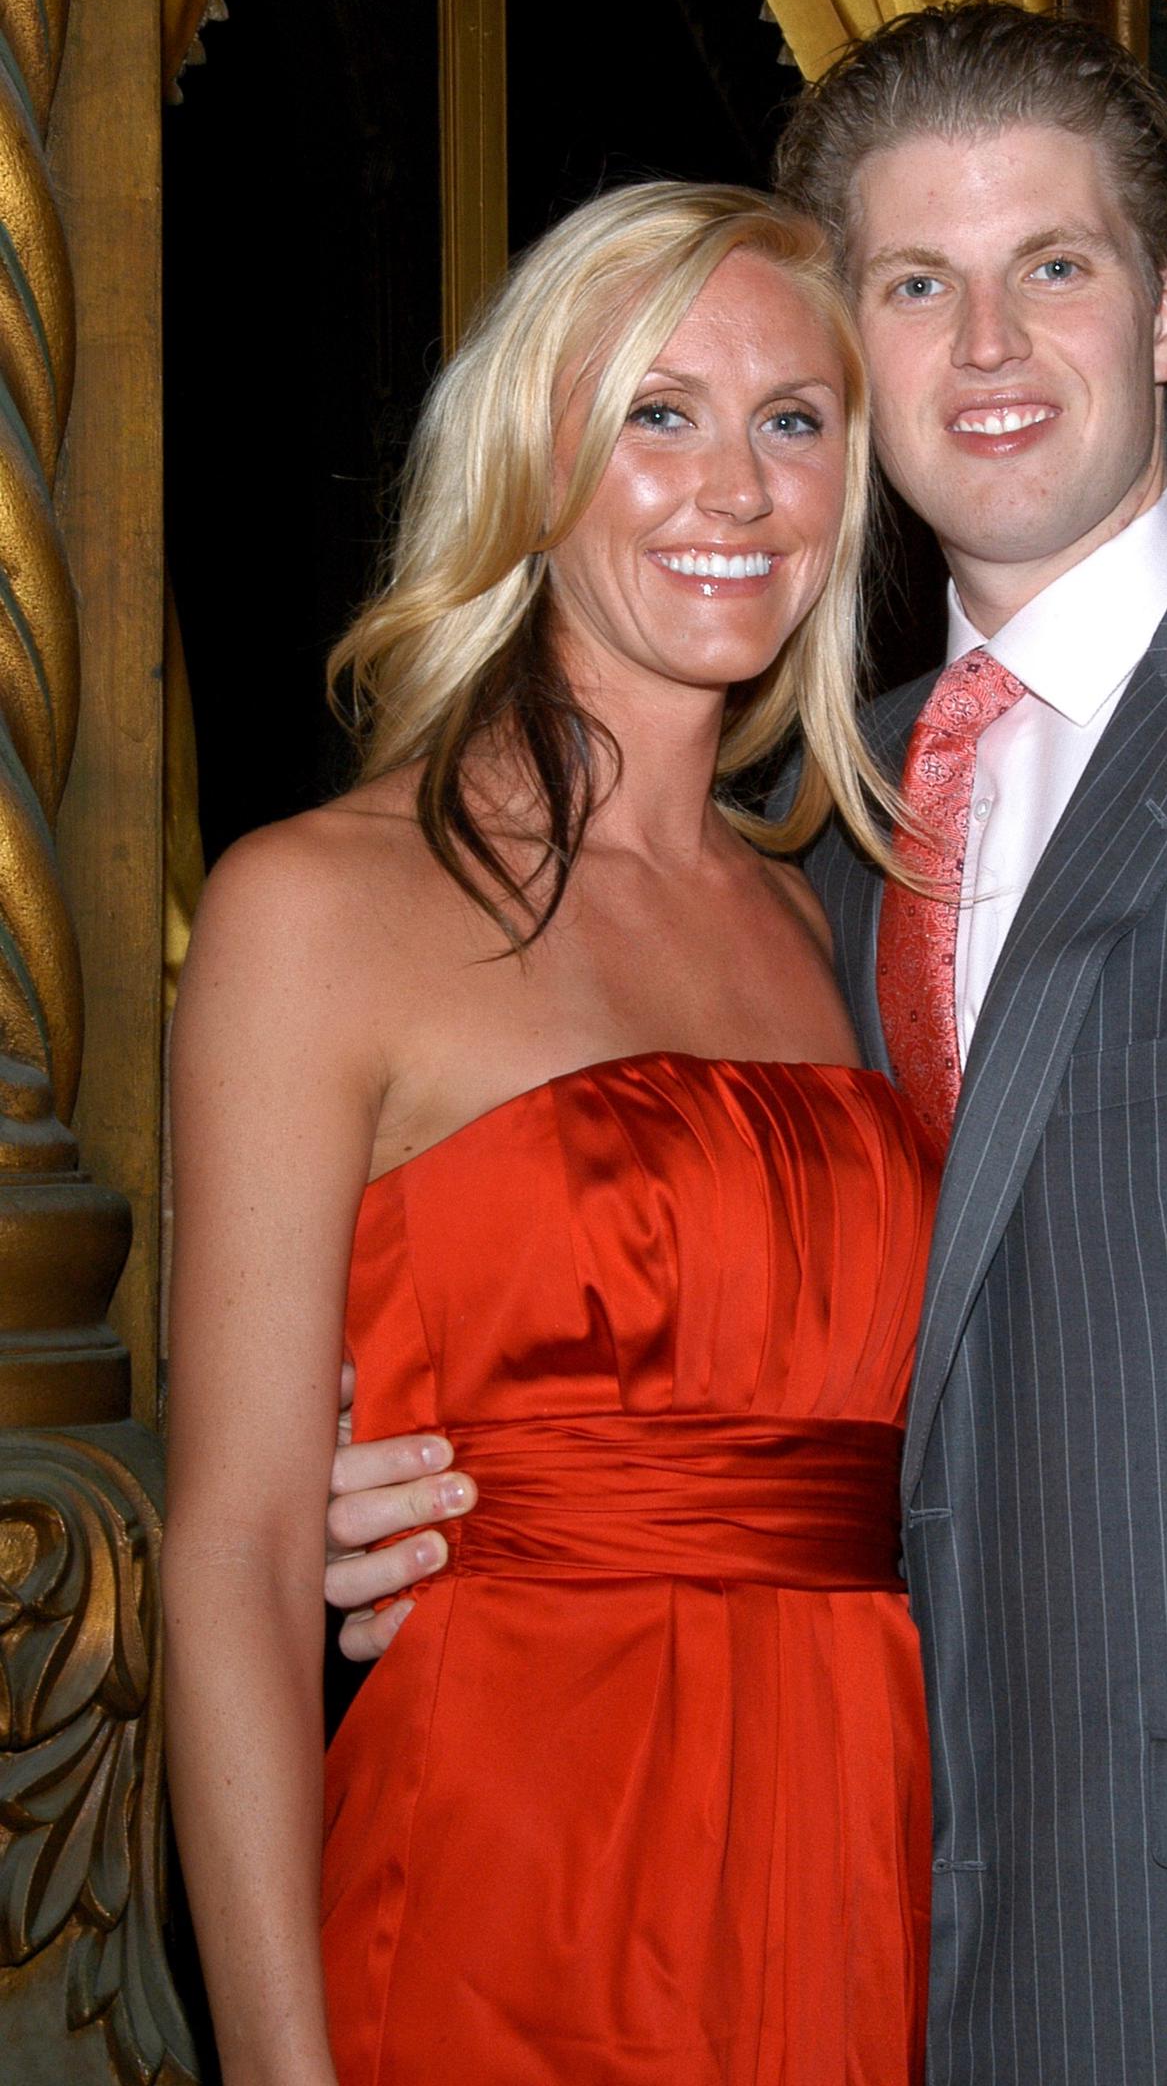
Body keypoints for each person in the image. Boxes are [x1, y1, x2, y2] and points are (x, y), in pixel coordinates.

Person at [324, 5, 1167, 2083]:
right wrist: (407, 1477)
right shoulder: (822, 840)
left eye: (1056, 269)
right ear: (853, 351)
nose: (988, 346)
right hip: (817, 1956)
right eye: (918, 284)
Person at [163, 180, 944, 2086]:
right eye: (655, 414)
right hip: (508, 1869)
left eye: (793, 421)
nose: (734, 488)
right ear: (535, 460)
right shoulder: (318, 906)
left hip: (867, 1863)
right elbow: (244, 1552)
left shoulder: (851, 913)